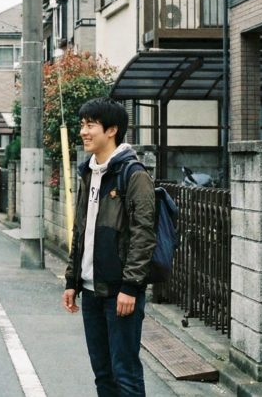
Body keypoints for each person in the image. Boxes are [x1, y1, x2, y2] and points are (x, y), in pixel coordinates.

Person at [62, 97, 156, 396]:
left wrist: (130, 287)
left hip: (120, 292)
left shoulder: (133, 174)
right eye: (82, 125)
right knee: (102, 374)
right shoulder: (89, 172)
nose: (83, 132)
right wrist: (72, 280)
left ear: (112, 130)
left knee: (125, 373)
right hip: (90, 291)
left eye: (90, 125)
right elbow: (81, 230)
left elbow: (144, 234)